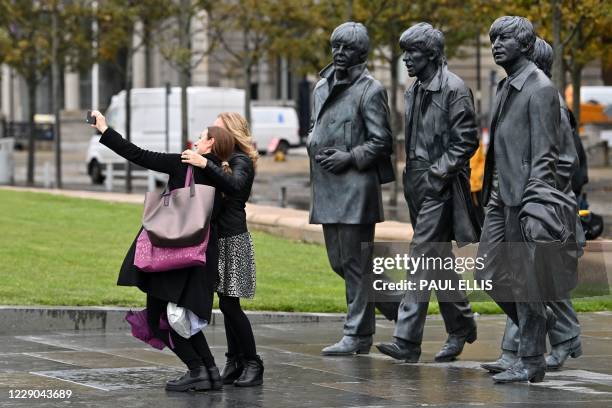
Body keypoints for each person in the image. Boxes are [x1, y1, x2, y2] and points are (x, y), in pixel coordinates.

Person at [89, 110, 234, 392]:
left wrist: (105, 130)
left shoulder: (185, 165)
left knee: (161, 318)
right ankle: (210, 372)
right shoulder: (224, 176)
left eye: (201, 139)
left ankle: (196, 370)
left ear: (210, 146)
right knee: (182, 317)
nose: (195, 142)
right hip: (200, 255)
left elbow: (139, 155)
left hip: (171, 252)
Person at [376, 23, 480, 363]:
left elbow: (467, 140)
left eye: (412, 53)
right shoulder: (413, 89)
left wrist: (438, 172)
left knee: (421, 257)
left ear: (432, 55)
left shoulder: (455, 89)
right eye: (405, 52)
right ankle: (462, 324)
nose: (405, 59)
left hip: (442, 183)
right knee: (439, 261)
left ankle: (407, 340)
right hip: (417, 183)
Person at [481, 37, 583, 374]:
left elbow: (564, 160)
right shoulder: (508, 88)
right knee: (505, 278)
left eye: (504, 41)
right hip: (507, 197)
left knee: (531, 283)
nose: (496, 46)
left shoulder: (545, 94)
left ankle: (526, 353)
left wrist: (541, 202)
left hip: (536, 203)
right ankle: (550, 332)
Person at [307, 21, 398, 356]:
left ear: (361, 53)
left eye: (347, 48)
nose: (339, 53)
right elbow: (316, 125)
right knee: (339, 262)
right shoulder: (320, 87)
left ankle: (357, 334)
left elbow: (382, 141)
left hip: (356, 188)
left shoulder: (370, 90)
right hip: (328, 187)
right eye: (336, 46)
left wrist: (349, 157)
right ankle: (401, 309)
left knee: (356, 263)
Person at [186, 112, 263, 387]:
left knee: (231, 305)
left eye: (217, 129)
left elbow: (235, 186)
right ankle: (235, 360)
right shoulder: (223, 161)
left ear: (231, 132)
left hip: (234, 238)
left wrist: (205, 163)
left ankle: (253, 362)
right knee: (226, 303)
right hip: (219, 238)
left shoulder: (241, 160)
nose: (212, 133)